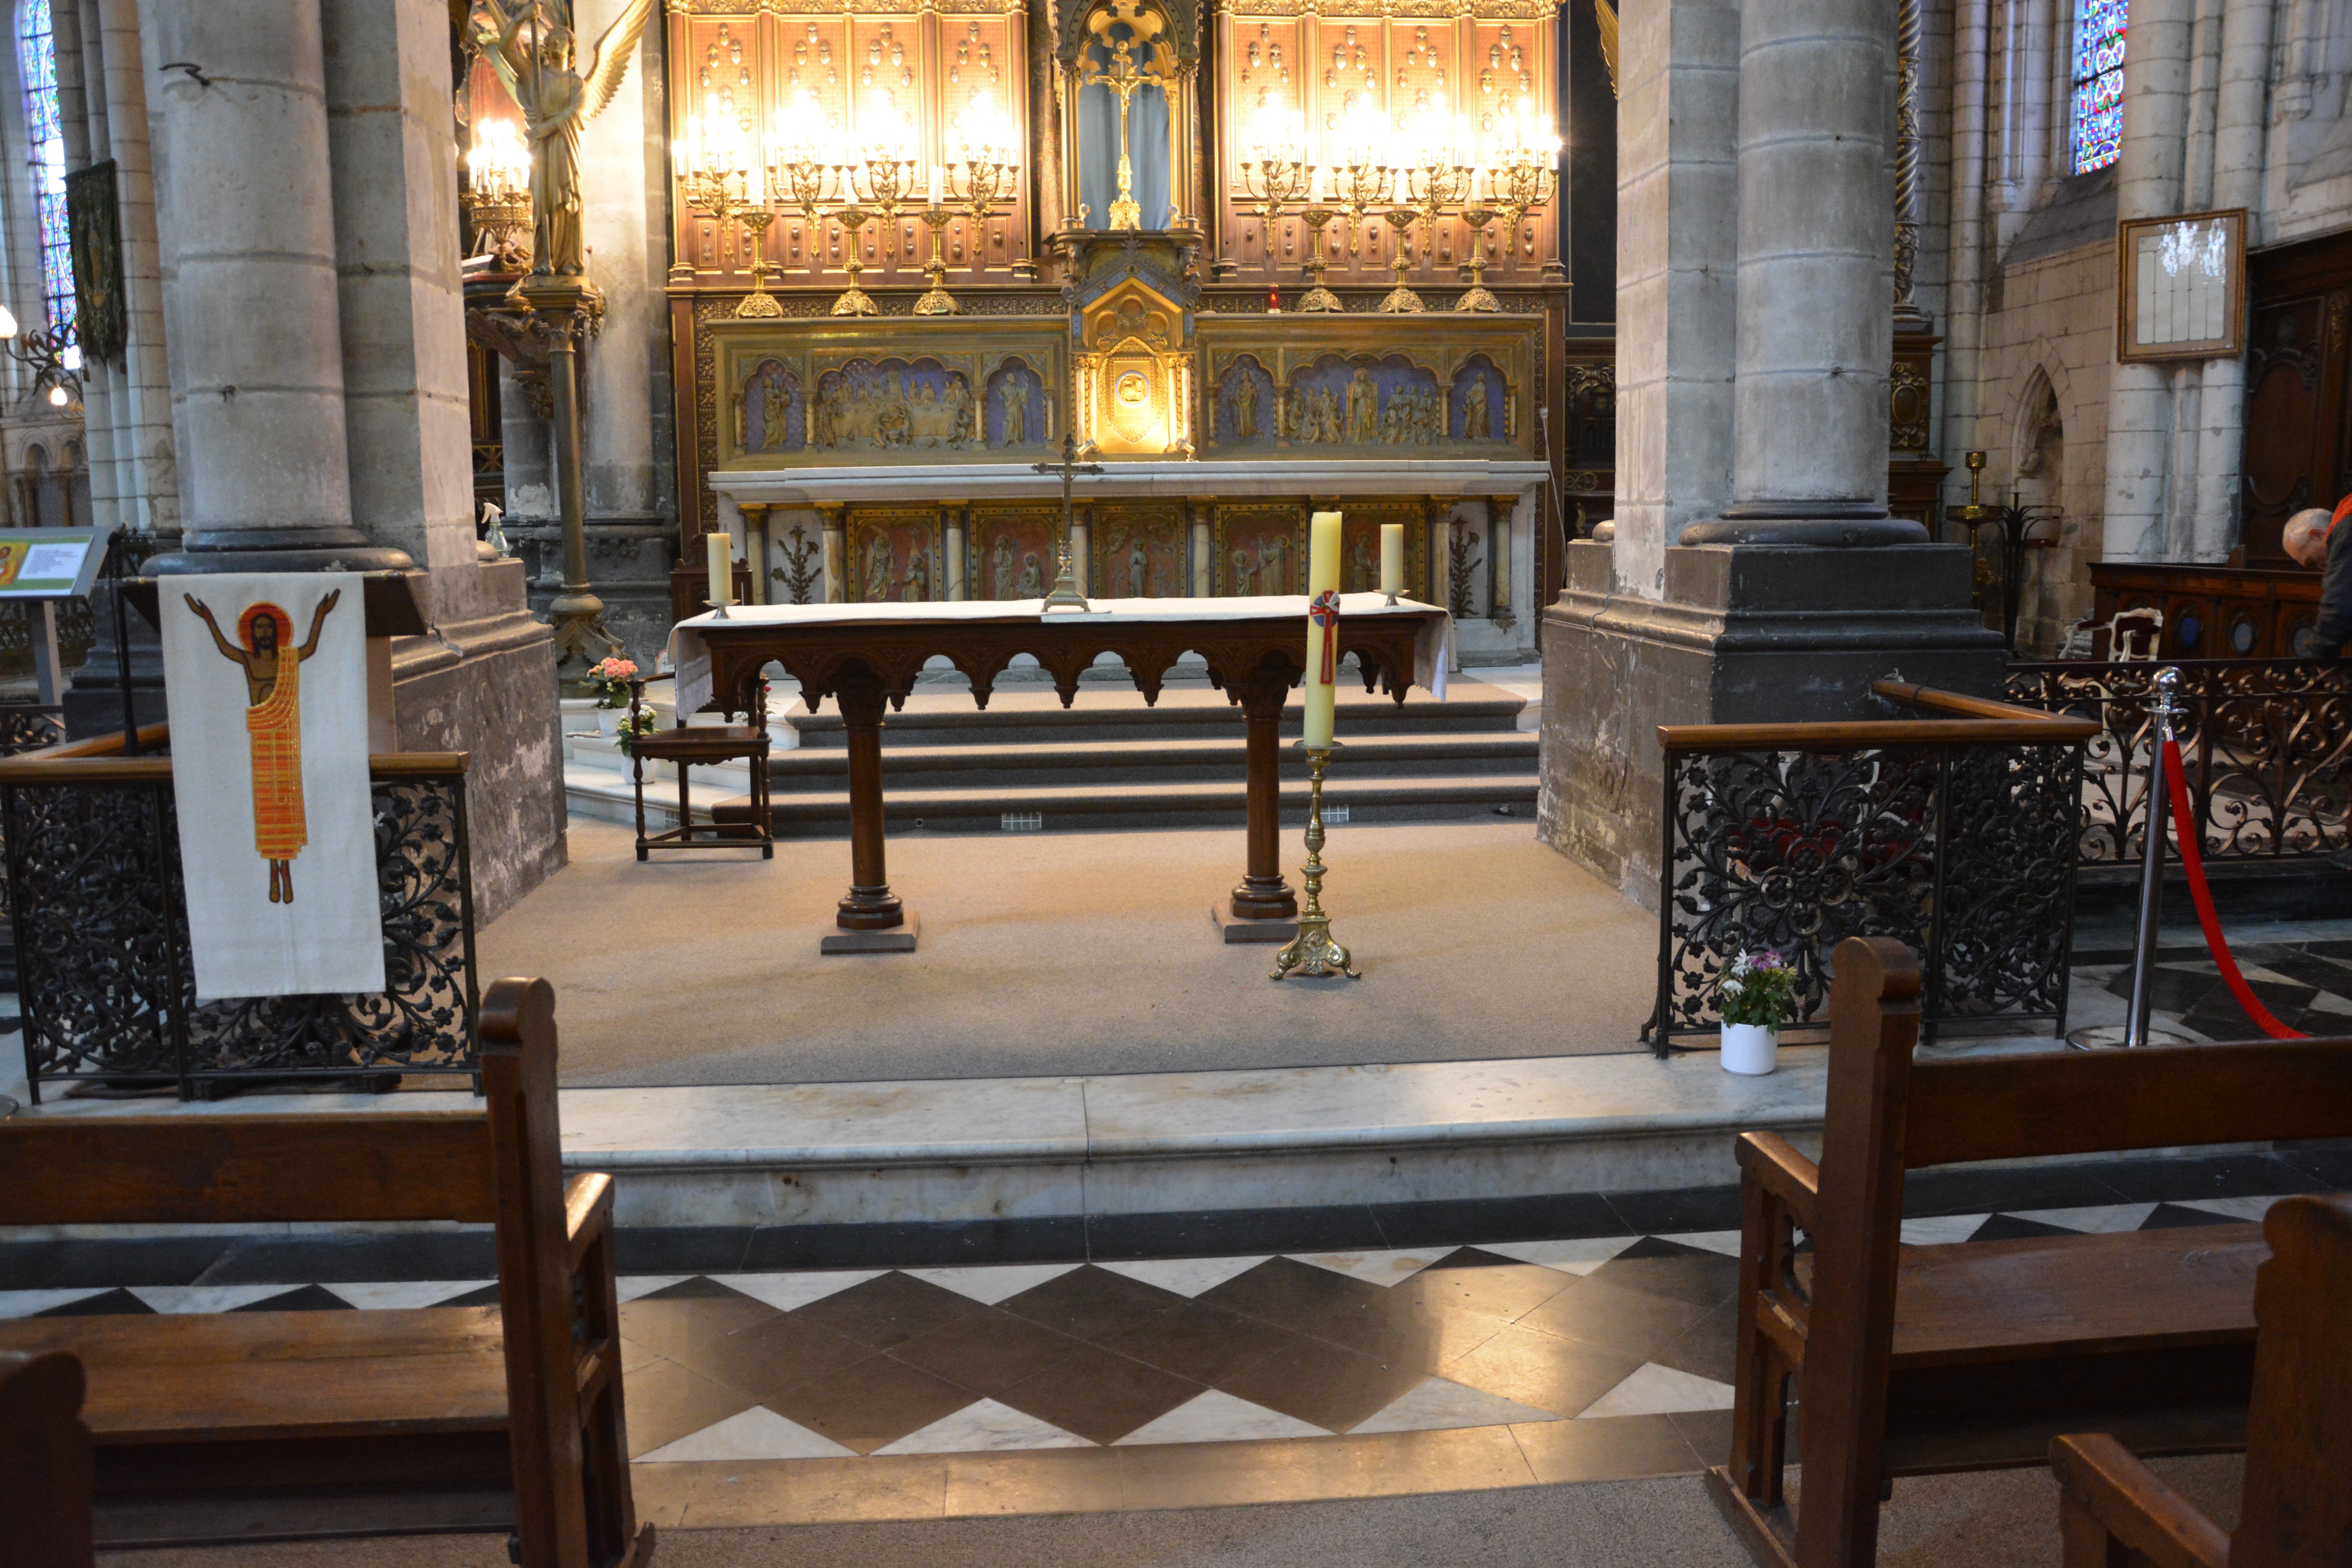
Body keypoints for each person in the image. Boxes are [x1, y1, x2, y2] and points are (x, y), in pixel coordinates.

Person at [2283, 503, 2352, 654]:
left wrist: (2320, 653)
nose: (2323, 571)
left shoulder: (2347, 529)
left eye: (2314, 562)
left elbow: (2341, 599)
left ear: (2318, 535)